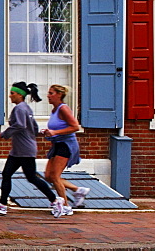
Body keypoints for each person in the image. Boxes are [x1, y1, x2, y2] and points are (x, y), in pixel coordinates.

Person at [0, 81, 61, 217]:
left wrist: (3, 134)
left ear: (20, 95)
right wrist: (30, 137)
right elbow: (34, 128)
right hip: (21, 149)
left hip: (24, 150)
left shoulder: (19, 109)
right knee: (7, 174)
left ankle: (55, 201)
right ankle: (2, 204)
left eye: (12, 93)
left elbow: (20, 125)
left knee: (31, 177)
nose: (10, 96)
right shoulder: (26, 108)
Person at [40, 84, 90, 217]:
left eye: (51, 93)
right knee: (48, 176)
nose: (48, 96)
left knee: (55, 177)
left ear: (59, 95)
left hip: (66, 145)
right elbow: (57, 128)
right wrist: (49, 132)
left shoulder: (63, 109)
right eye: (48, 93)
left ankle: (66, 207)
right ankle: (78, 190)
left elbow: (75, 127)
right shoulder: (54, 110)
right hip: (57, 144)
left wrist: (55, 132)